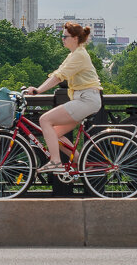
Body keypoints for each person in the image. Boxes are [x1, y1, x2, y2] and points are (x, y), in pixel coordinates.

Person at [23, 21, 103, 174]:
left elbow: (59, 77)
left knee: (44, 120)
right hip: (84, 100)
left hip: (86, 100)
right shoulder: (74, 54)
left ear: (75, 38)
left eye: (65, 36)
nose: (62, 39)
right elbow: (57, 73)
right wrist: (37, 88)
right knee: (54, 134)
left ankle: (55, 162)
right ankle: (80, 161)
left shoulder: (79, 55)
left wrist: (38, 91)